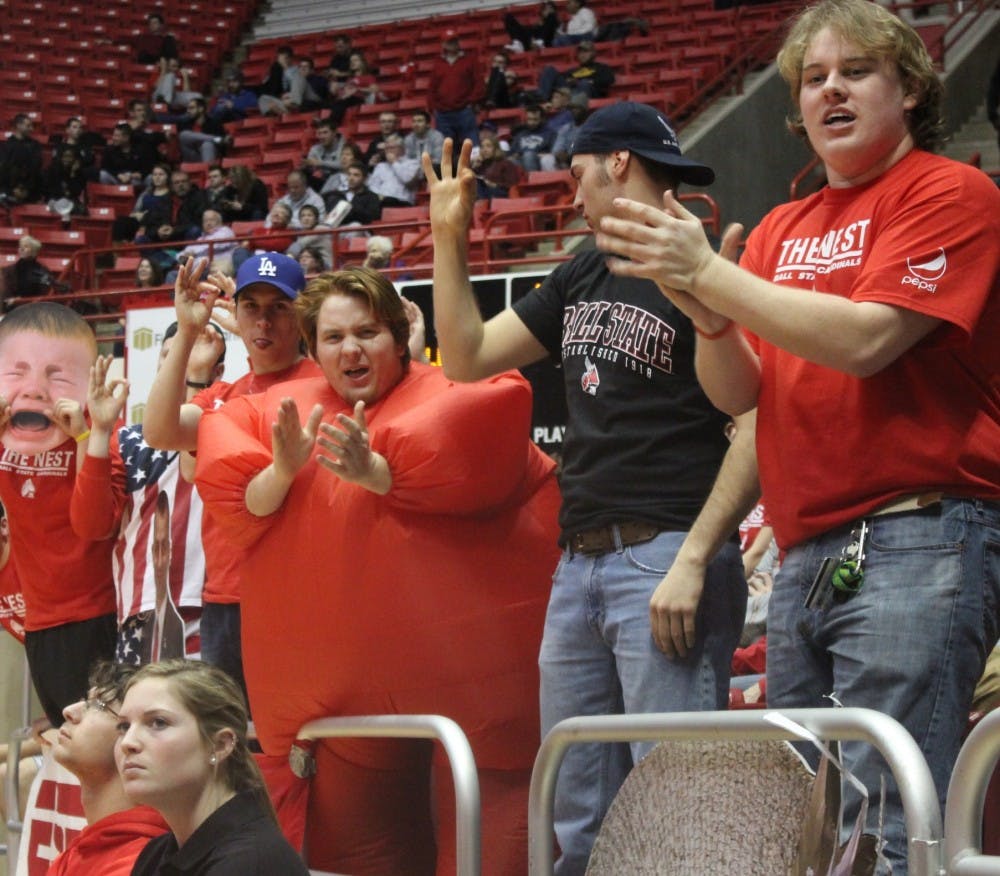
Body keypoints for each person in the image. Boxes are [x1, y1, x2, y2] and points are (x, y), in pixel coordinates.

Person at [593, 2, 1000, 869]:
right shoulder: (782, 227)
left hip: (919, 533)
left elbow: (866, 340)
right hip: (811, 549)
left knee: (890, 825)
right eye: (814, 79)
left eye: (855, 71)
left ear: (912, 88)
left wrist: (709, 272)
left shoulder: (949, 191)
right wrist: (703, 312)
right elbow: (744, 393)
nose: (831, 90)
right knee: (808, 831)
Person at [425, 111, 755, 873]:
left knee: (672, 817)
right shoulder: (584, 268)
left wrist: (696, 557)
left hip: (666, 553)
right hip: (579, 565)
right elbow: (466, 358)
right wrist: (449, 236)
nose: (571, 197)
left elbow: (755, 419)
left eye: (575, 176)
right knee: (578, 819)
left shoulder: (701, 260)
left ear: (616, 163)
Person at [194, 267, 560, 874]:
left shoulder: (453, 390)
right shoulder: (280, 414)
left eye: (366, 332)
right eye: (333, 338)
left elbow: (476, 454)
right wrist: (283, 469)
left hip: (480, 708)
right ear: (312, 348)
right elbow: (238, 501)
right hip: (346, 717)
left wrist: (380, 476)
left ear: (398, 335)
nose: (351, 349)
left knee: (488, 849)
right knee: (356, 859)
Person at [143, 254, 320, 699]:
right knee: (231, 745)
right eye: (251, 307)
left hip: (301, 593)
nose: (264, 321)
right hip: (226, 596)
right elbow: (160, 432)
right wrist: (185, 332)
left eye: (278, 307)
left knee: (303, 740)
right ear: (236, 313)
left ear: (300, 313)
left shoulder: (325, 384)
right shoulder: (222, 397)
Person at [73, 329, 224, 665]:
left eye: (191, 357)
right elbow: (91, 525)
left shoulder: (230, 426)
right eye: (170, 356)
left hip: (210, 610)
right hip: (138, 615)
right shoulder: (127, 439)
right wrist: (97, 431)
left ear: (218, 374)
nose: (180, 365)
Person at [0, 303, 117, 726]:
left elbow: (93, 524)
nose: (34, 390)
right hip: (39, 622)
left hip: (95, 616)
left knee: (100, 750)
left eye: (57, 375)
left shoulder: (100, 434)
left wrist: (87, 436)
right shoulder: (5, 437)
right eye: (17, 373)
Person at [116, 659, 309, 875]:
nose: (127, 742)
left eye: (158, 722)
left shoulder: (248, 863)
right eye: (124, 726)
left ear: (220, 745)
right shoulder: (155, 854)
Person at [48, 661, 169, 876]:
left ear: (132, 739)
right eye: (85, 700)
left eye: (98, 704)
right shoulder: (78, 853)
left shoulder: (141, 863)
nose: (68, 711)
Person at [430, 32, 483, 150]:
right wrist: (433, 107)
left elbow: (479, 82)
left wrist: (471, 101)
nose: (453, 44)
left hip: (464, 110)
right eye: (449, 42)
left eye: (454, 41)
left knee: (472, 146)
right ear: (444, 44)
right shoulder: (438, 63)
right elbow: (432, 87)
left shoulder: (470, 60)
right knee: (446, 150)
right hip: (443, 113)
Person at [0, 235, 53, 310]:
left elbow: (42, 294)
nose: (21, 249)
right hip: (11, 309)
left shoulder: (43, 271)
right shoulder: (9, 270)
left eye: (26, 246)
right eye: (20, 246)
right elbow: (6, 294)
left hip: (33, 309)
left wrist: (21, 300)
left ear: (34, 251)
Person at [367, 134, 421, 207]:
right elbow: (372, 186)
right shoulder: (381, 166)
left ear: (402, 148)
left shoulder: (412, 163)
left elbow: (407, 179)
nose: (388, 151)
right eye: (386, 148)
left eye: (392, 148)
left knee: (389, 201)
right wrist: (379, 196)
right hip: (382, 202)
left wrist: (394, 163)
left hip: (402, 202)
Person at [472, 133, 524, 200]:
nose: (485, 150)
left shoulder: (506, 164)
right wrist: (474, 166)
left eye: (488, 146)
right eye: (482, 147)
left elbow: (512, 184)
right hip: (483, 193)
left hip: (500, 193)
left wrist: (494, 185)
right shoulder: (480, 165)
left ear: (496, 149)